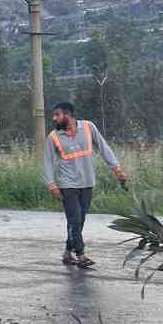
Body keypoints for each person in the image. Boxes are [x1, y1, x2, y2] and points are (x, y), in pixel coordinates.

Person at [42, 101, 126, 269]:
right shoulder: (53, 137)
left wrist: (116, 168)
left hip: (87, 182)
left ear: (68, 115)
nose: (54, 119)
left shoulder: (88, 127)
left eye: (57, 115)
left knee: (79, 221)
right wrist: (51, 184)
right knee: (74, 220)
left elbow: (104, 147)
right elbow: (47, 162)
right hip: (67, 185)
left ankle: (67, 253)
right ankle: (80, 255)